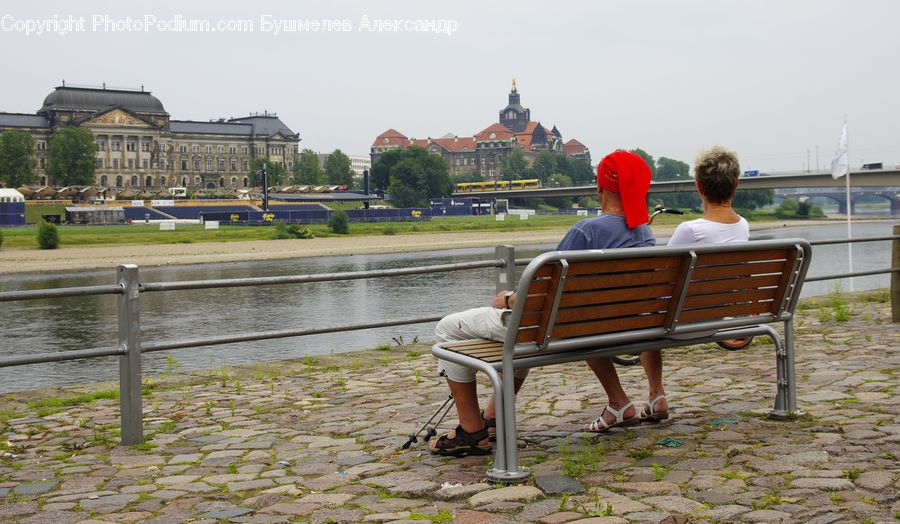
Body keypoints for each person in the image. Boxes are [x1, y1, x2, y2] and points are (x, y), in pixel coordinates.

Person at [430, 150, 655, 456]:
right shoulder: (645, 234)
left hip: (555, 328)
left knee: (447, 328)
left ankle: (471, 430)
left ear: (600, 189)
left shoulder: (586, 231)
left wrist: (507, 298)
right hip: (611, 326)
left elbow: (541, 290)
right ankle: (493, 419)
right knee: (527, 327)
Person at [624, 145, 750, 426]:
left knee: (647, 311)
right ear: (736, 184)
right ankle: (655, 396)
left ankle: (656, 394)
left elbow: (659, 279)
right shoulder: (743, 226)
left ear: (698, 186)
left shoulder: (690, 230)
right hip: (715, 319)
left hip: (680, 323)